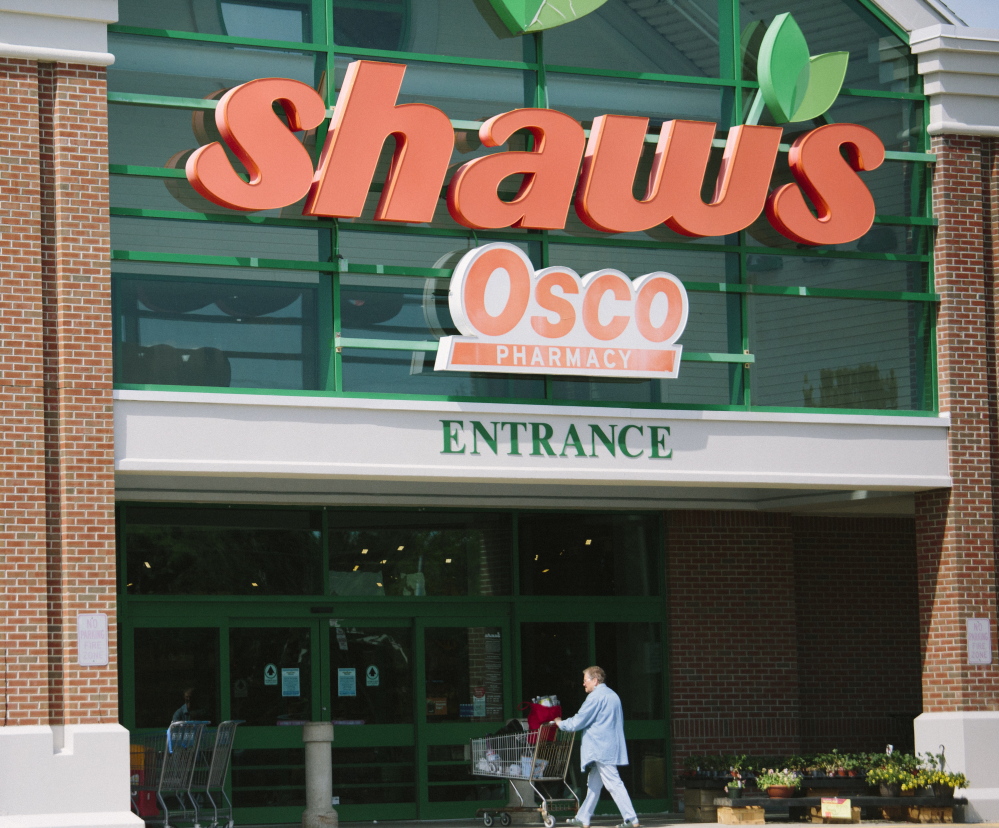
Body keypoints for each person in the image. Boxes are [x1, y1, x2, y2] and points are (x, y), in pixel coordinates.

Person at [554, 666, 639, 828]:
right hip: (610, 745)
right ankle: (583, 817)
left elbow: (579, 721)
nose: (583, 684)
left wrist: (560, 724)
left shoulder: (595, 697)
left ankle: (631, 819)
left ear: (595, 680)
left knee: (613, 783)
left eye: (585, 680)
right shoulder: (613, 696)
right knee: (593, 784)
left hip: (600, 748)